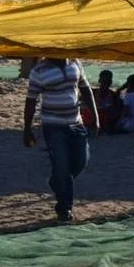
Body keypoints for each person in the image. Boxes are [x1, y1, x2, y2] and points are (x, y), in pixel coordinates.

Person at [24, 57, 99, 224]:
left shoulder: (76, 63)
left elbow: (86, 89)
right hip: (53, 126)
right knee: (62, 166)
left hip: (76, 123)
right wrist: (27, 129)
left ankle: (55, 180)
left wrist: (95, 116)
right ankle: (65, 208)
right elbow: (31, 100)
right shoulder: (40, 70)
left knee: (81, 162)